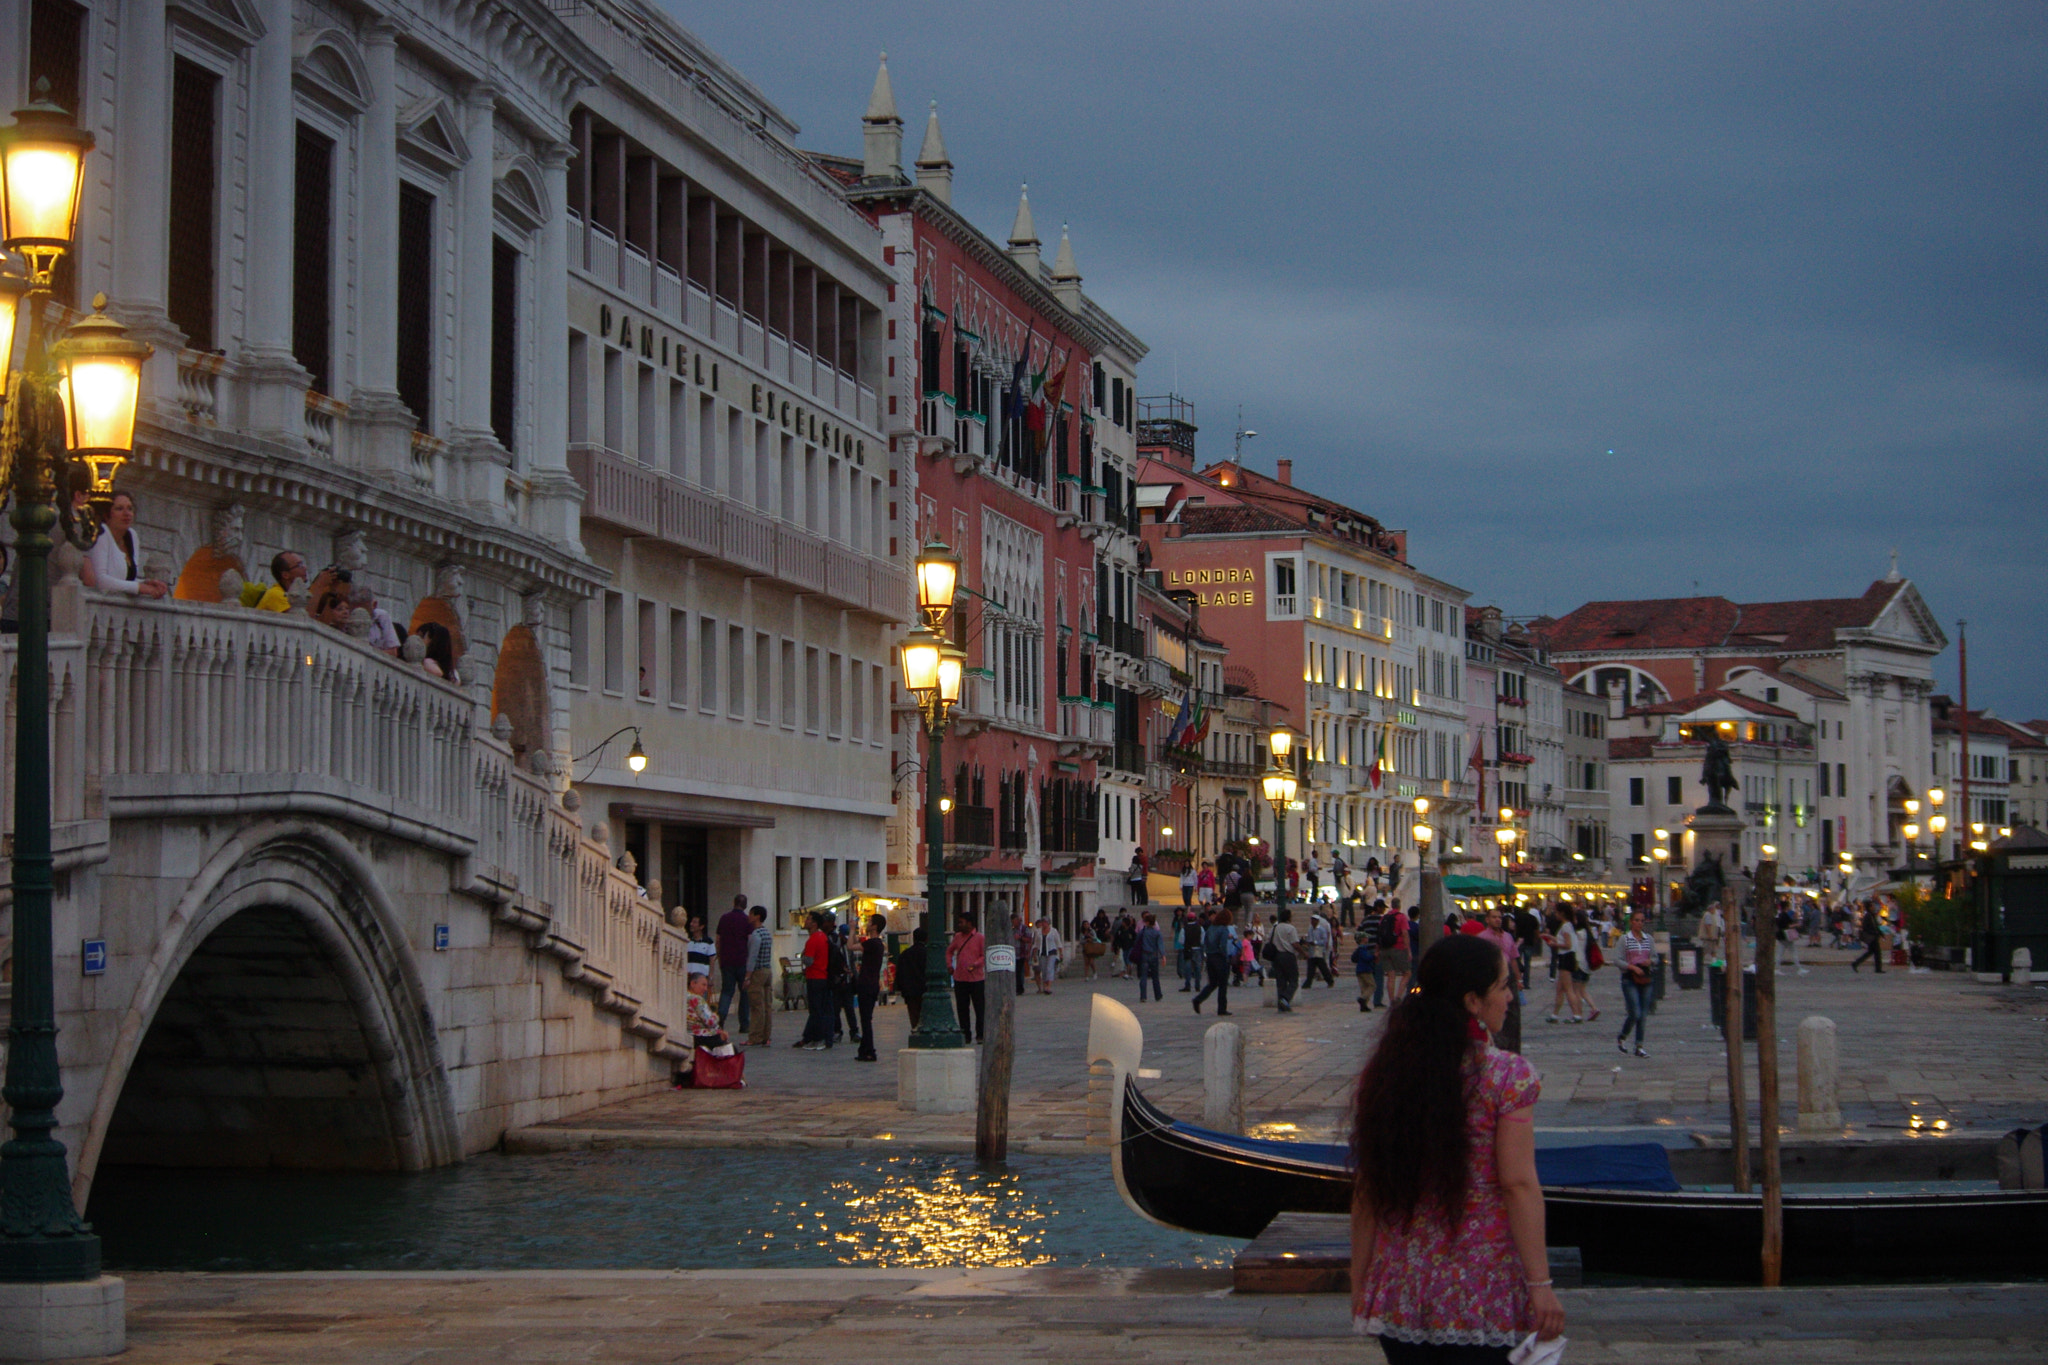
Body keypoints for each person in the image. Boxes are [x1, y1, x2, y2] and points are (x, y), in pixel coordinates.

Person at [1349, 934, 1564, 1361]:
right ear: (1472, 1001)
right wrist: (1541, 1287)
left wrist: (1359, 1277)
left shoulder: (1389, 1072)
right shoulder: (1508, 1077)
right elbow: (1518, 1184)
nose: (1510, 996)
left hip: (1403, 1291)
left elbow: (1368, 1187)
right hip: (1482, 1296)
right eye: (1503, 986)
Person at [86, 492, 170, 599]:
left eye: (130, 509)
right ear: (106, 515)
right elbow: (100, 581)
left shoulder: (132, 536)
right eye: (119, 509)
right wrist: (140, 587)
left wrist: (146, 583)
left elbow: (125, 581)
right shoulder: (101, 533)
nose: (127, 513)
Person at [1616, 911, 1657, 1057]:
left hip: (1645, 977)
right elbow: (1618, 960)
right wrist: (1632, 967)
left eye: (1642, 921)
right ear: (1631, 922)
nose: (1639, 923)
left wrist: (1650, 961)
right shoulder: (1624, 939)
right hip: (1629, 978)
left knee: (1643, 1014)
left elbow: (1655, 957)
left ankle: (1639, 1045)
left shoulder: (1648, 939)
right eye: (1637, 920)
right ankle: (1623, 1035)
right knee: (1635, 1012)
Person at [714, 894, 754, 1032]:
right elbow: (750, 941)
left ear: (734, 902)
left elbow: (718, 940)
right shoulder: (747, 921)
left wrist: (720, 957)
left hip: (727, 960)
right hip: (742, 960)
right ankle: (744, 1024)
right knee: (744, 993)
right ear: (745, 905)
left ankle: (721, 1018)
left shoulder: (724, 918)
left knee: (726, 991)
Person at [795, 912, 835, 1049]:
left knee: (816, 1010)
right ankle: (819, 1037)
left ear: (814, 923)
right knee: (822, 1009)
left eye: (808, 919)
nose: (805, 921)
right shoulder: (822, 937)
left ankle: (818, 1039)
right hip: (823, 976)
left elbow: (809, 961)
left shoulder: (812, 940)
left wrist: (803, 955)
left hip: (815, 977)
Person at [1191, 908, 1237, 1016]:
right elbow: (1222, 946)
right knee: (1222, 985)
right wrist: (1226, 958)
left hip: (1210, 957)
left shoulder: (1211, 928)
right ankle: (1222, 1008)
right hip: (1220, 958)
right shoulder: (1223, 929)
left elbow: (1205, 942)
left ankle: (1198, 999)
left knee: (1212, 983)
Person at [950, 910, 986, 1043]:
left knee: (979, 1008)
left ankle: (980, 1034)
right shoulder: (958, 937)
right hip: (960, 978)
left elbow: (984, 955)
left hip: (977, 978)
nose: (959, 925)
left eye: (961, 922)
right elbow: (949, 951)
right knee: (962, 1008)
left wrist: (975, 964)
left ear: (969, 923)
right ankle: (965, 1034)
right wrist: (950, 965)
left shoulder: (980, 938)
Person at [855, 914, 886, 1062]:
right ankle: (864, 1049)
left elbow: (850, 946)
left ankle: (869, 1050)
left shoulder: (872, 943)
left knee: (865, 1019)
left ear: (874, 926)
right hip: (873, 983)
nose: (867, 923)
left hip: (866, 984)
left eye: (869, 921)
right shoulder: (878, 944)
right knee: (866, 1018)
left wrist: (850, 930)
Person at [743, 906, 774, 1046]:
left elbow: (752, 957)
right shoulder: (767, 933)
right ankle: (766, 1036)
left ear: (757, 916)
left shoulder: (756, 935)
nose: (748, 916)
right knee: (767, 1005)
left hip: (758, 972)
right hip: (768, 970)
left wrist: (747, 976)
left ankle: (755, 1037)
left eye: (751, 914)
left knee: (756, 1006)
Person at [1268, 907, 1302, 1012]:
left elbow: (1269, 940)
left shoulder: (1275, 928)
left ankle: (1281, 1004)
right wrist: (1303, 952)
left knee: (1281, 981)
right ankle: (1285, 998)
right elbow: (1295, 944)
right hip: (1288, 955)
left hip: (1277, 956)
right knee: (1293, 980)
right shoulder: (1290, 928)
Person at [894, 927, 928, 1029]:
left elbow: (900, 972)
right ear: (926, 939)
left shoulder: (905, 954)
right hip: (924, 989)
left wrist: (901, 988)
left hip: (910, 991)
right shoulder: (927, 953)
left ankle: (915, 1031)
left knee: (914, 1016)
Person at [1379, 900, 1413, 1002]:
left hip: (1384, 948)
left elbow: (1379, 934)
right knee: (1407, 973)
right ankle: (1398, 997)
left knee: (1391, 975)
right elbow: (1405, 934)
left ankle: (1391, 999)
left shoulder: (1383, 918)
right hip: (1398, 947)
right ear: (1399, 906)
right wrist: (1408, 950)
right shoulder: (1401, 917)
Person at [1359, 900, 1388, 1008]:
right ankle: (1377, 1001)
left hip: (1366, 951)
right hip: (1377, 951)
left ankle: (1364, 1000)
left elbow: (1359, 932)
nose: (1384, 909)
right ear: (1379, 908)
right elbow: (1382, 936)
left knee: (1367, 979)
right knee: (1378, 977)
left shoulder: (1365, 920)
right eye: (1383, 907)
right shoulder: (1381, 920)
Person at [1134, 910, 1164, 1002]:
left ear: (1147, 923)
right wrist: (1163, 955)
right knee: (1155, 977)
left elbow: (1136, 942)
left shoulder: (1143, 932)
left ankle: (1143, 996)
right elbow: (1160, 945)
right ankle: (1158, 995)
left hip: (1144, 955)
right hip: (1154, 955)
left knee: (1143, 976)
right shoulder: (1157, 933)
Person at [1776, 897, 1809, 976]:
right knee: (1793, 952)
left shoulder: (1780, 915)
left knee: (1780, 953)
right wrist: (1797, 924)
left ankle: (1776, 968)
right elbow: (1788, 925)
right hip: (1786, 936)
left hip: (1781, 935)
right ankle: (1799, 968)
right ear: (1786, 907)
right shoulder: (1785, 915)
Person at [1350, 925, 1378, 1013]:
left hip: (1359, 970)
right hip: (1366, 969)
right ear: (1362, 939)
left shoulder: (1358, 949)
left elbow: (1353, 958)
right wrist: (1374, 956)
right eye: (1366, 937)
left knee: (1364, 988)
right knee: (1372, 985)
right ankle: (1362, 999)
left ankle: (1364, 1006)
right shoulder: (1363, 949)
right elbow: (1366, 958)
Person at [1306, 911, 1338, 988]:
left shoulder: (1321, 930)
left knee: (1322, 967)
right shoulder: (1310, 929)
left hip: (1319, 950)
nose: (1312, 922)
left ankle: (1329, 980)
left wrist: (1316, 942)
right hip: (1312, 950)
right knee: (1312, 967)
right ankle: (1308, 982)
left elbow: (1324, 940)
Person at [1851, 904, 1885, 974]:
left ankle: (1856, 963)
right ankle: (1878, 968)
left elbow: (1876, 926)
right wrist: (1875, 933)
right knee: (1877, 953)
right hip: (1872, 937)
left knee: (1871, 952)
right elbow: (1866, 927)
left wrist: (1880, 933)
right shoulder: (1868, 916)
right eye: (1872, 906)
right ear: (1869, 907)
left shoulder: (1871, 915)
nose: (1874, 907)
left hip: (1874, 936)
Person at [1035, 916, 1063, 993]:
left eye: (1045, 922)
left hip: (1051, 952)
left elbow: (1058, 942)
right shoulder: (1038, 932)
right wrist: (1034, 954)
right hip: (1041, 952)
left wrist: (1061, 953)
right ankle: (1044, 985)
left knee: (1049, 968)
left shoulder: (1054, 931)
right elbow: (1036, 944)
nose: (1043, 924)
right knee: (1043, 969)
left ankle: (1048, 986)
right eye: (1042, 922)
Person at [1178, 908, 1203, 991]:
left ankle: (1187, 985)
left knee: (1188, 969)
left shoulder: (1184, 929)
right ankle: (1197, 985)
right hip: (1197, 949)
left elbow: (1181, 940)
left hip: (1188, 949)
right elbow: (1203, 940)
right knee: (1197, 968)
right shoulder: (1200, 928)